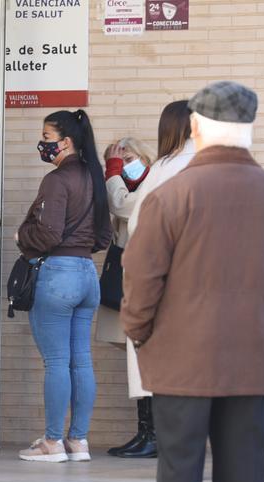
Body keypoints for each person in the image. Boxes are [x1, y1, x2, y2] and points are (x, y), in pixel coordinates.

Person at [122, 81, 264, 482]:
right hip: (248, 359)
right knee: (245, 478)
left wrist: (140, 332)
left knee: (180, 473)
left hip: (179, 362)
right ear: (249, 127)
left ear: (196, 128)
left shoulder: (170, 194)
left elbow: (142, 280)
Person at [94, 100, 195, 459]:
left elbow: (127, 208)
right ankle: (147, 432)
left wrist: (112, 174)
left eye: (132, 157)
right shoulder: (175, 169)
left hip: (158, 276)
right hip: (154, 275)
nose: (128, 163)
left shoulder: (166, 170)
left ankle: (157, 436)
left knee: (150, 357)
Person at [15, 109, 114, 463]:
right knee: (81, 361)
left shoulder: (57, 180)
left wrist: (20, 235)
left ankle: (53, 442)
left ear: (66, 141)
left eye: (46, 137)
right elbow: (104, 235)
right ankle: (79, 441)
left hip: (57, 275)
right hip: (87, 274)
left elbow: (48, 234)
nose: (42, 144)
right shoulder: (94, 176)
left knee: (57, 362)